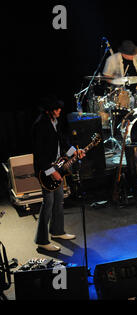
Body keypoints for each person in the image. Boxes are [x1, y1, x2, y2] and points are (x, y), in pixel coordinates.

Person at [32, 96, 85, 252]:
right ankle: (41, 240)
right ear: (49, 110)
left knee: (59, 200)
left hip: (56, 166)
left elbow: (63, 143)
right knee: (48, 203)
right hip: (45, 170)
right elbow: (39, 154)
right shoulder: (40, 125)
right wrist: (51, 171)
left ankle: (57, 231)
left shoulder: (54, 123)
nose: (60, 111)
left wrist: (75, 152)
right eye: (57, 109)